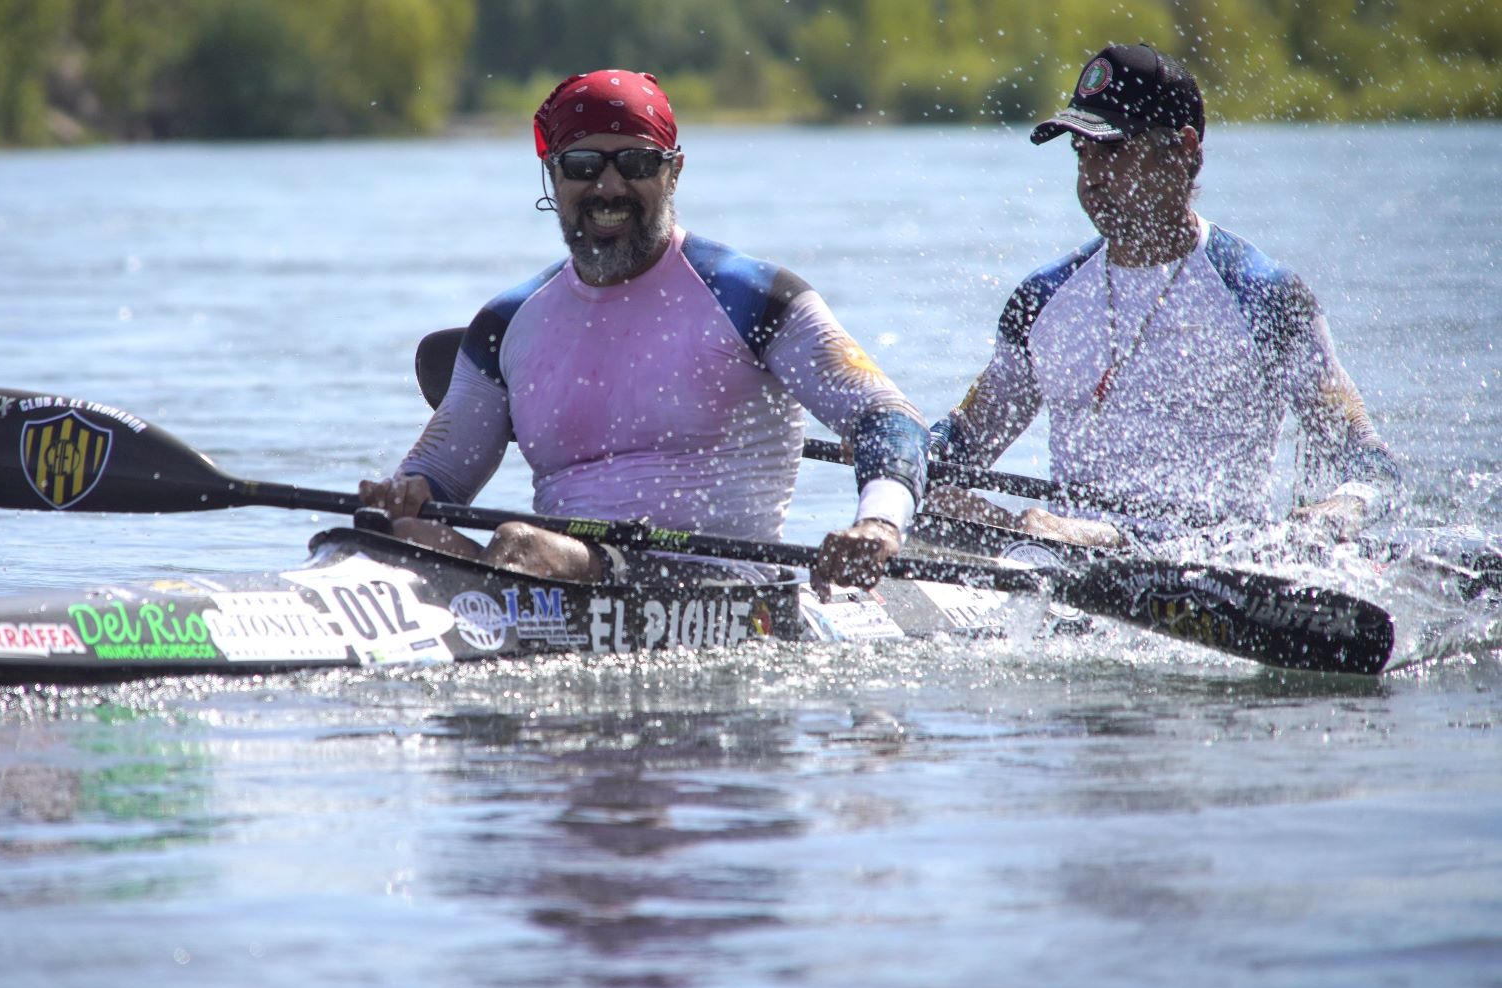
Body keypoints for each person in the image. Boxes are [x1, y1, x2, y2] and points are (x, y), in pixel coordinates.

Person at [360, 69, 928, 590]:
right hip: (556, 572)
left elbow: (888, 416)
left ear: (674, 171)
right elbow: (433, 480)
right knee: (387, 532)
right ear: (552, 174)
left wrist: (878, 524)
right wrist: (405, 494)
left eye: (634, 163)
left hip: (722, 585)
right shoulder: (505, 324)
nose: (608, 190)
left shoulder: (753, 298)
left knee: (520, 544)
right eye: (583, 166)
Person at [926, 43, 1401, 547]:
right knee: (936, 507)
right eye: (1080, 153)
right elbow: (956, 448)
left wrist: (1340, 509)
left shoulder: (1263, 296)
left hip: (1215, 569)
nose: (1091, 178)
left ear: (1184, 150)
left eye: (1113, 150)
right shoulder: (1042, 300)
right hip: (1062, 560)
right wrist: (905, 455)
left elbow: (1374, 468)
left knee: (1041, 533)